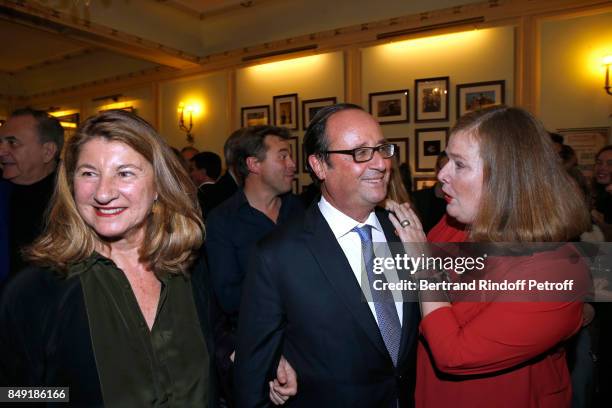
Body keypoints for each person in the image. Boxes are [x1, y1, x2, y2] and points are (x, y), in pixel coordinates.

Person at [0, 110, 216, 406]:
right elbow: (12, 394)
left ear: (158, 186)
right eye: (89, 173)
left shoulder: (188, 266)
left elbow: (210, 349)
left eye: (124, 172)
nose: (103, 193)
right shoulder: (35, 290)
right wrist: (68, 397)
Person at [388, 106, 591, 407]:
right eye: (447, 159)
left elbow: (454, 355)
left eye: (459, 164)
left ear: (505, 178)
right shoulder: (454, 223)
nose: (441, 174)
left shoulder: (557, 268)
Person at [235, 104, 420, 407]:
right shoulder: (277, 254)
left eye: (382, 149)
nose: (380, 164)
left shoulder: (404, 231)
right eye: (360, 153)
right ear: (320, 166)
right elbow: (252, 374)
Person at [206, 125, 303, 405]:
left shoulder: (300, 212)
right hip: (256, 350)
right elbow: (229, 295)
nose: (293, 164)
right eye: (283, 156)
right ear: (253, 164)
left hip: (308, 347)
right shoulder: (223, 221)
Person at [0, 108, 64, 278]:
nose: (1, 151)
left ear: (47, 152)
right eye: (0, 142)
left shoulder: (77, 199)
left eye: (12, 143)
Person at [412, 152, 448, 233]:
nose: (449, 174)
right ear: (436, 170)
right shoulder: (417, 199)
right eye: (445, 168)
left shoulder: (461, 204)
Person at [190, 151, 222, 219]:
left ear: (203, 172)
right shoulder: (225, 192)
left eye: (192, 169)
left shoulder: (199, 195)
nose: (190, 174)